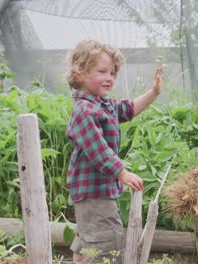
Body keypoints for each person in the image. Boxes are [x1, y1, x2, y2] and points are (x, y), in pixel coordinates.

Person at [65, 39, 163, 263]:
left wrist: (154, 92)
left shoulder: (102, 104)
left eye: (112, 73)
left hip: (97, 190)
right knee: (106, 243)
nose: (109, 77)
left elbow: (128, 109)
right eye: (102, 71)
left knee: (91, 237)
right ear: (80, 72)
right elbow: (98, 150)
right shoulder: (84, 110)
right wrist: (123, 173)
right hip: (93, 191)